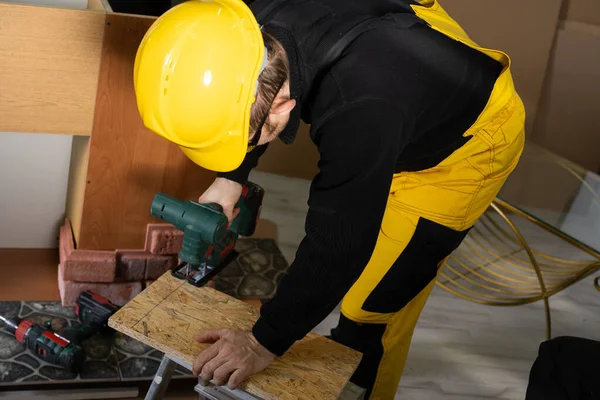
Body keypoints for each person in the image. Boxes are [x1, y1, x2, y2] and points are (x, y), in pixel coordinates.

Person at [133, 0, 526, 398]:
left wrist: (262, 341)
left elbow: (339, 243)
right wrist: (231, 177)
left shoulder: (360, 108)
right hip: (401, 59)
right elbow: (242, 92)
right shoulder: (238, 26)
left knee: (371, 307)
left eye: (243, 142)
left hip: (463, 149)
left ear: (285, 106)